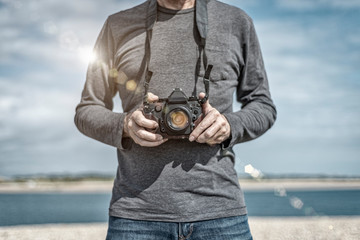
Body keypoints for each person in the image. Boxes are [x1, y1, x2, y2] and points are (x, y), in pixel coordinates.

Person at [74, 0, 276, 239]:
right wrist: (126, 125)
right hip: (135, 215)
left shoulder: (237, 22)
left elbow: (263, 105)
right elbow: (87, 110)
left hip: (221, 212)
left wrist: (229, 125)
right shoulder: (117, 25)